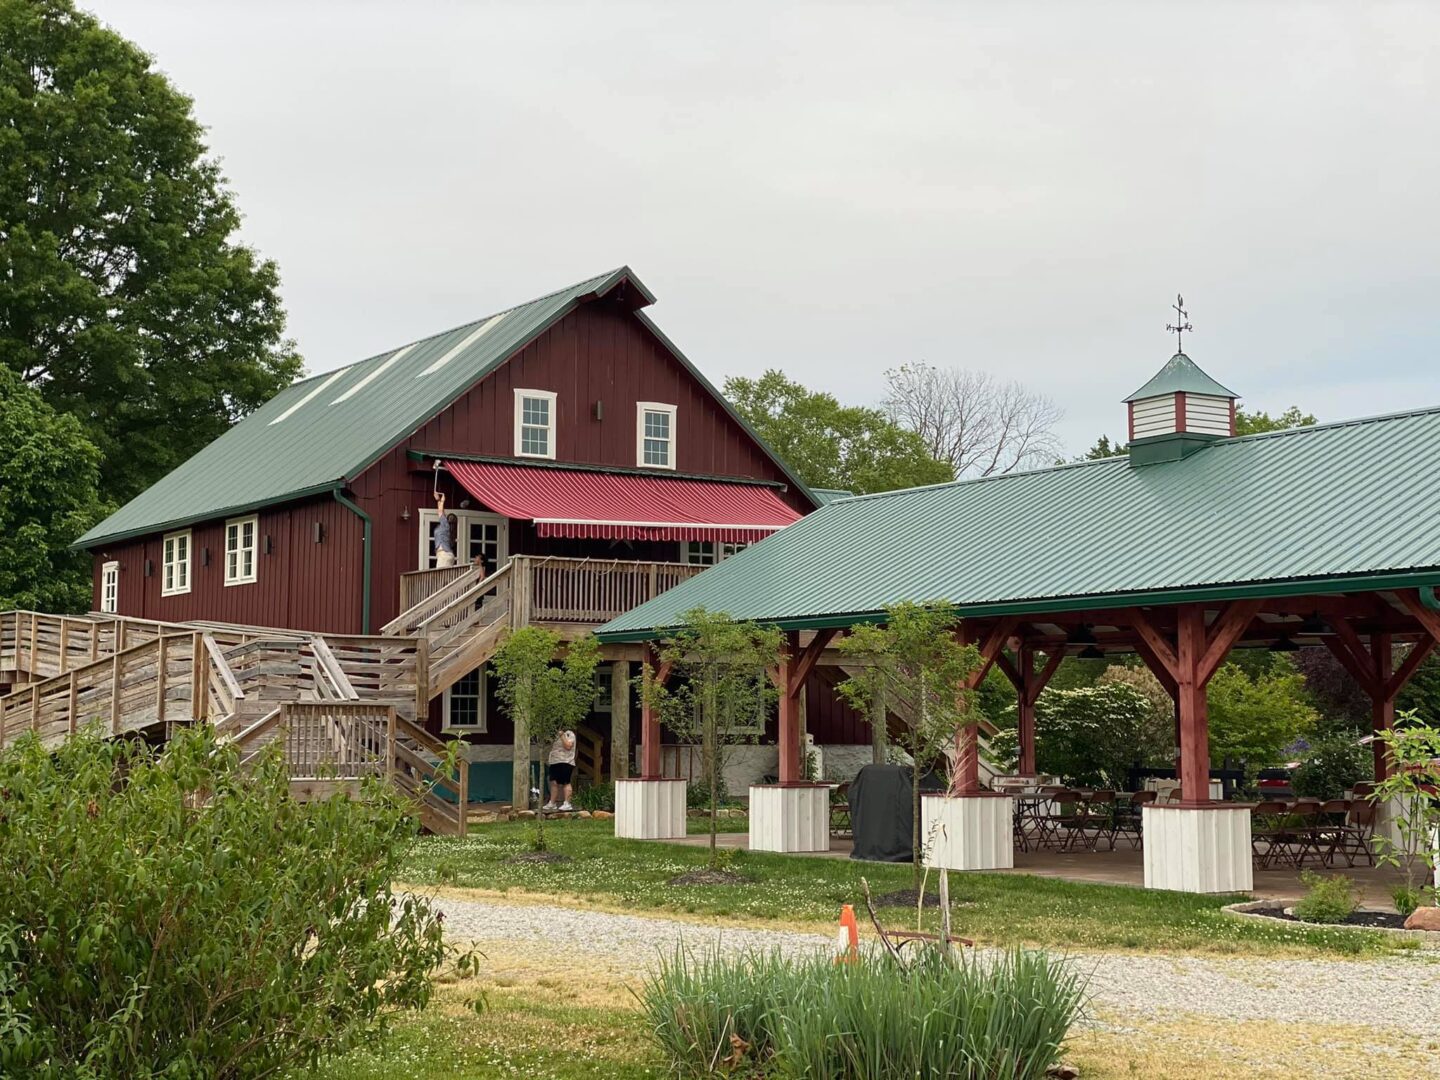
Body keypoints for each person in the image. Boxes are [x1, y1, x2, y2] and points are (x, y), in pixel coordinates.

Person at [543, 729, 577, 812]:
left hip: (566, 761)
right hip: (554, 761)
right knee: (553, 782)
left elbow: (568, 746)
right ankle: (552, 803)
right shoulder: (554, 735)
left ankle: (567, 803)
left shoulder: (569, 734)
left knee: (566, 782)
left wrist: (562, 735)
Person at [433, 493, 457, 568]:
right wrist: (439, 500)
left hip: (444, 555)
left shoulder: (445, 526)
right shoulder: (446, 527)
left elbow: (440, 512)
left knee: (441, 577)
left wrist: (441, 501)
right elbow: (442, 511)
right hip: (445, 554)